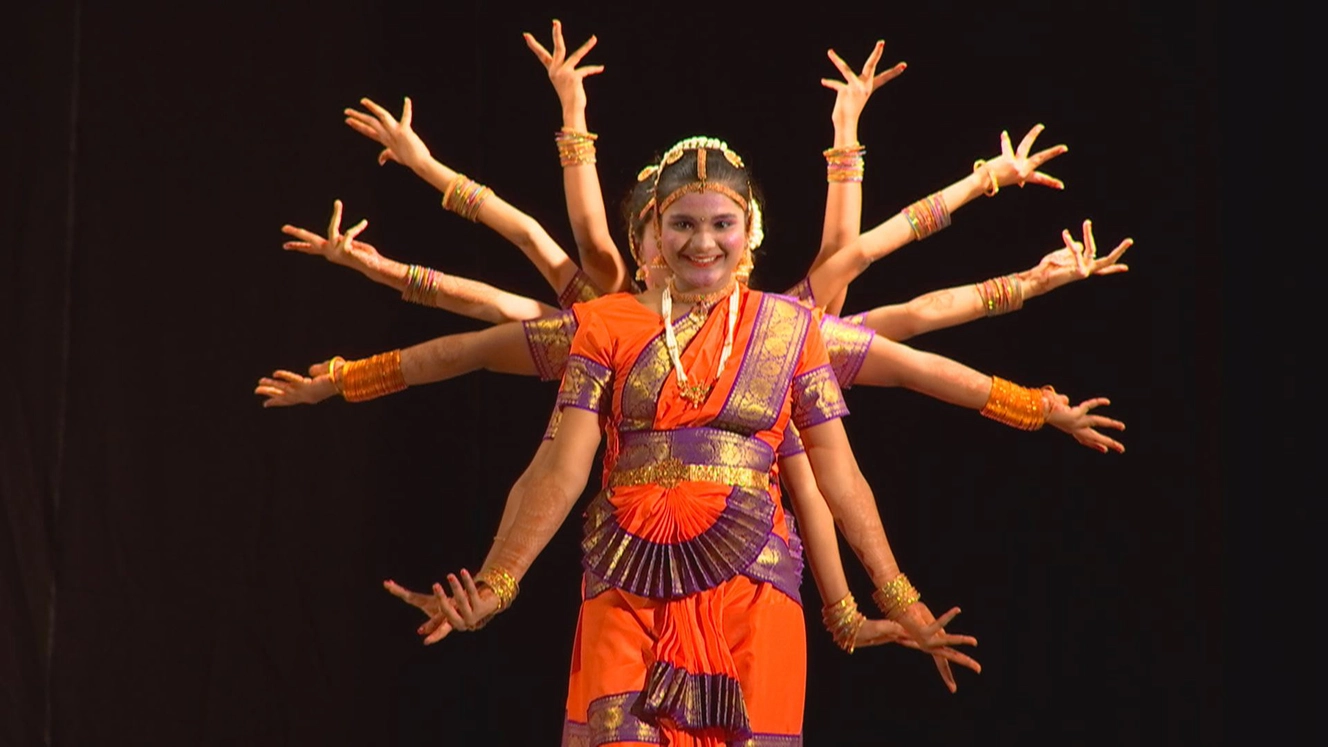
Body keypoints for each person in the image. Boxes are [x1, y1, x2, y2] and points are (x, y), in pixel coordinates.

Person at [392, 138, 976, 744]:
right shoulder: (605, 324)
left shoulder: (789, 328)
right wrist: (498, 582)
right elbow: (558, 469)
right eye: (683, 224)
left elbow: (839, 472)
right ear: (655, 229)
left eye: (722, 224)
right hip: (627, 577)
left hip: (753, 583)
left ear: (749, 230)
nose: (703, 243)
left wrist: (897, 596)